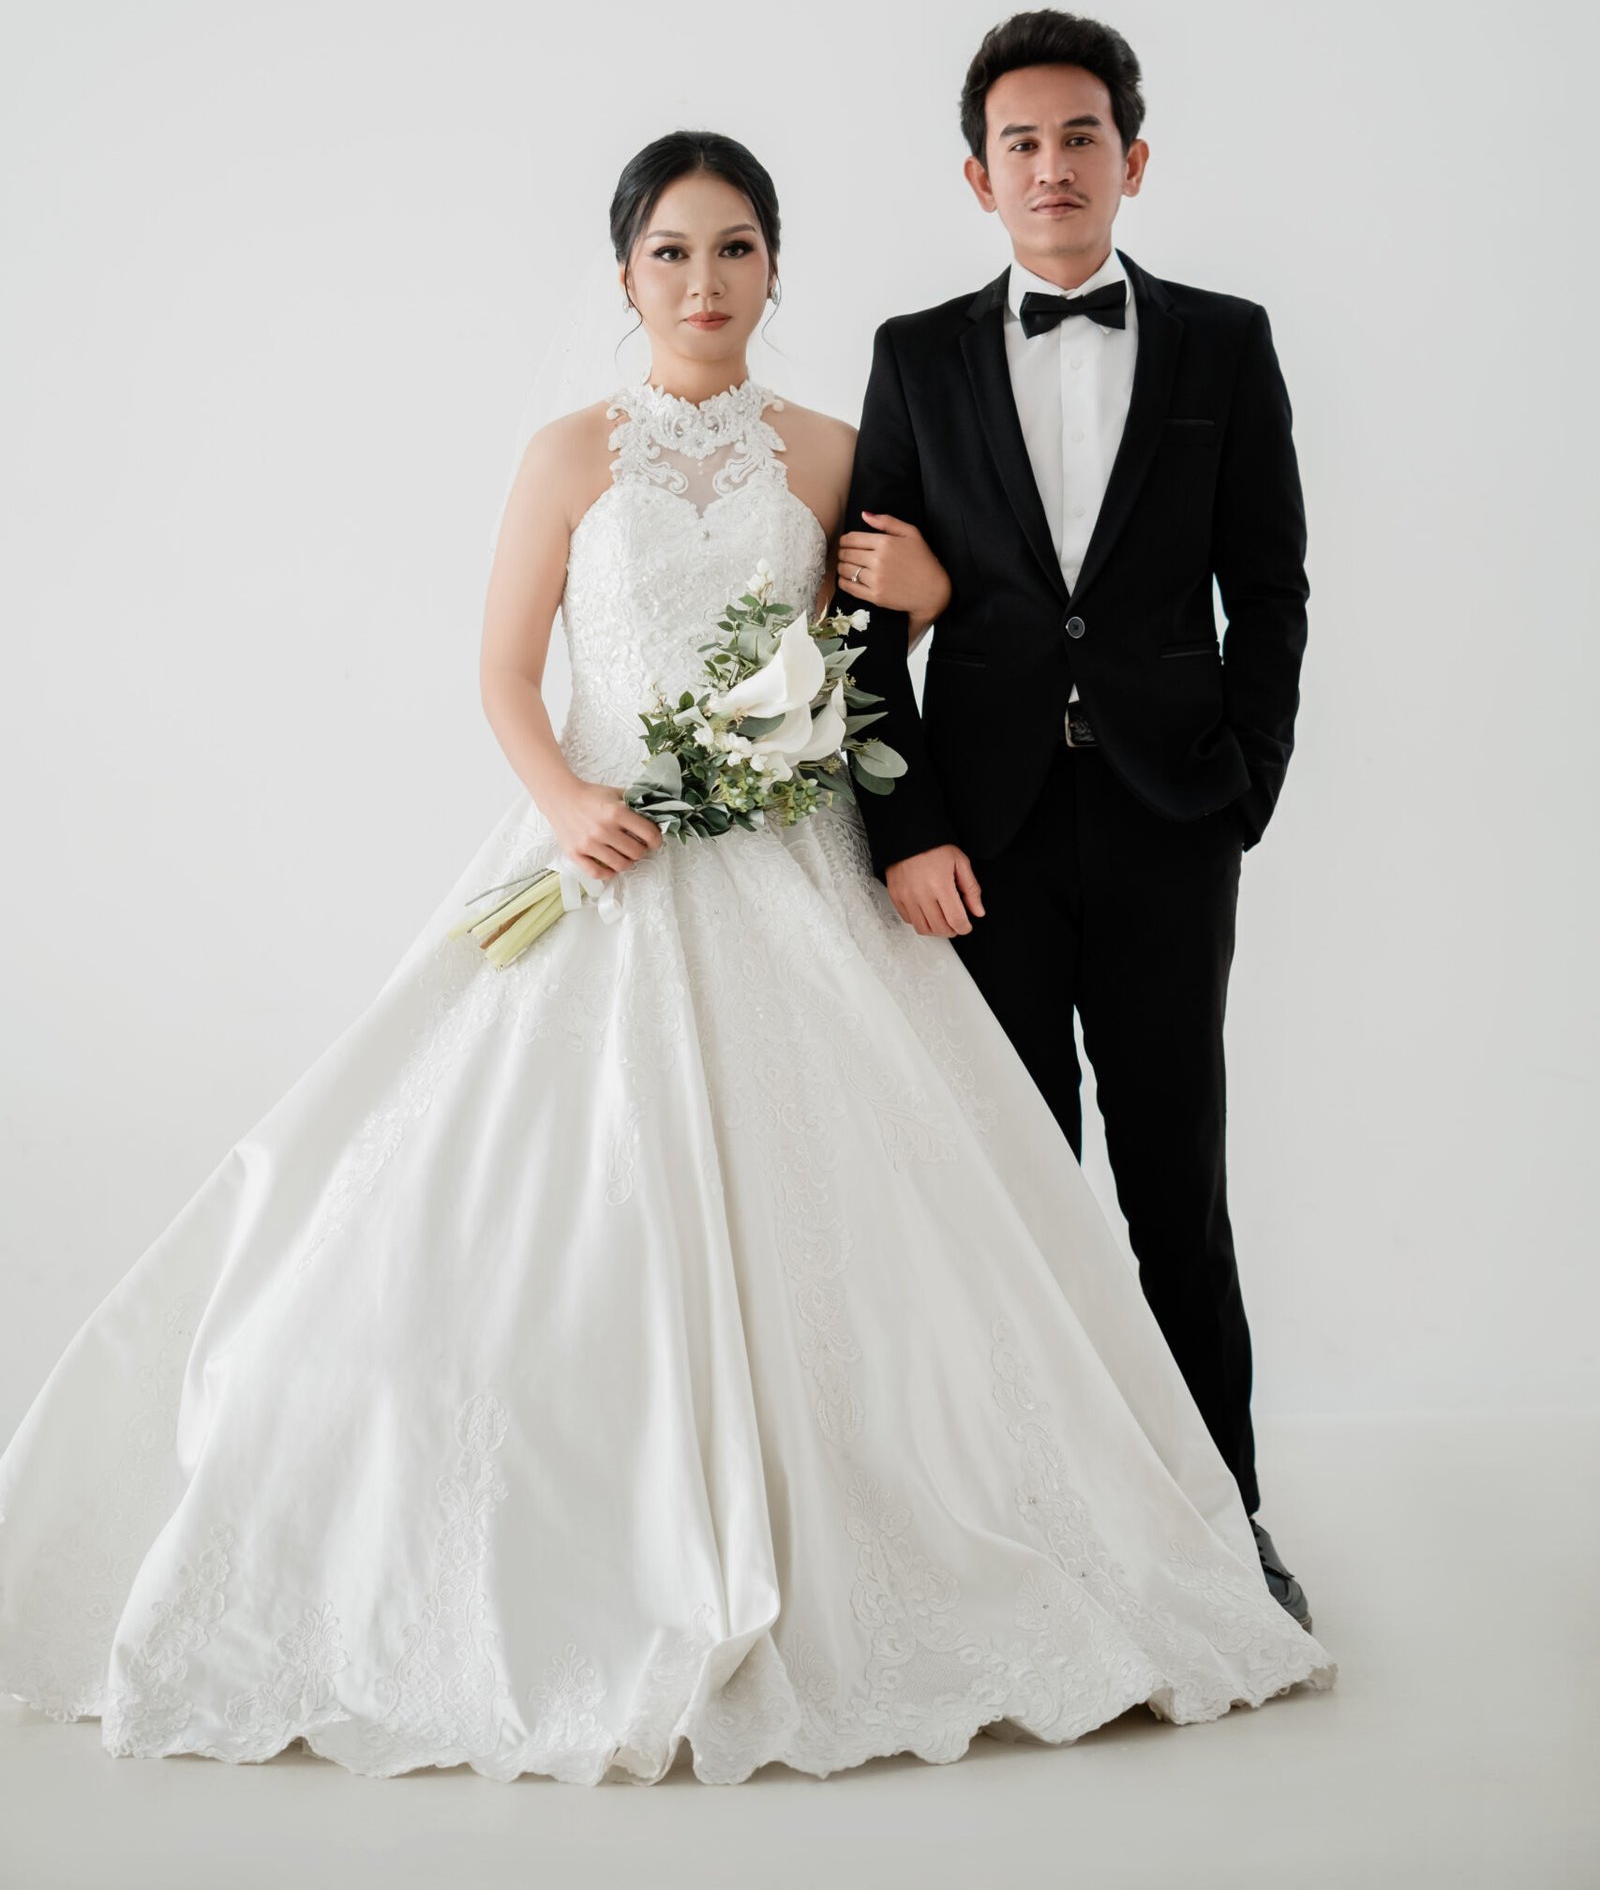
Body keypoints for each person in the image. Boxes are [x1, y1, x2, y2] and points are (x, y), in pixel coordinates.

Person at [0, 130, 1330, 1786]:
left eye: (738, 249)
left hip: (796, 855)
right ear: (625, 272)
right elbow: (504, 670)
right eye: (674, 253)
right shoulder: (568, 453)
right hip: (605, 855)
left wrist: (925, 597)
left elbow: (889, 650)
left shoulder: (834, 448)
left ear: (776, 268)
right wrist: (570, 804)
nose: (706, 283)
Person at [841, 9, 1313, 1625]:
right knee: (1013, 1194)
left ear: (1134, 160)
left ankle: (1224, 1525)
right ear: (980, 178)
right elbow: (862, 624)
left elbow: (1270, 588)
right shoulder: (915, 356)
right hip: (983, 843)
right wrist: (905, 831)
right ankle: (1039, 1529)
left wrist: (1244, 788)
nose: (1054, 166)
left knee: (1176, 1187)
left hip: (1172, 823)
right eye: (1021, 144)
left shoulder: (1225, 344)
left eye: (1082, 137)